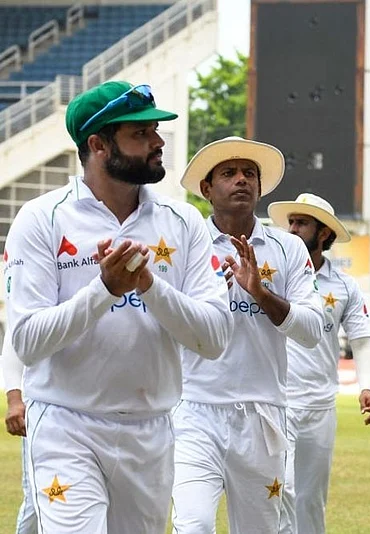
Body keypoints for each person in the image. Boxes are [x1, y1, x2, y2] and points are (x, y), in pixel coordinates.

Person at [3, 81, 234, 534]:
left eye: (155, 131)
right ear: (98, 145)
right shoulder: (42, 218)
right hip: (65, 424)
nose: (158, 142)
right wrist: (104, 289)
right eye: (141, 133)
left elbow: (214, 339)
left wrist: (149, 285)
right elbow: (27, 342)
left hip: (151, 429)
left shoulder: (183, 221)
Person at [172, 136, 324, 533]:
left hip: (262, 414)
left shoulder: (288, 248)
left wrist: (261, 294)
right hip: (194, 409)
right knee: (194, 525)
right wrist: (206, 299)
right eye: (228, 173)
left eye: (250, 174)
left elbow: (312, 331)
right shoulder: (184, 245)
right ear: (206, 188)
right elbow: (162, 319)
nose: (242, 179)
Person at [268, 193, 370, 534]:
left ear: (324, 233)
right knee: (282, 490)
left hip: (320, 406)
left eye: (302, 223)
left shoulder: (345, 286)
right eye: (291, 222)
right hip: (277, 402)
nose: (292, 228)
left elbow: (361, 341)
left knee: (311, 499)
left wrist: (367, 387)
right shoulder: (273, 275)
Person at [2, 332, 38, 534]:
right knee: (43, 493)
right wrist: (14, 399)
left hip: (123, 414)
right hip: (47, 410)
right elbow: (13, 339)